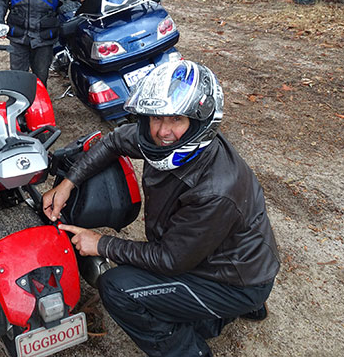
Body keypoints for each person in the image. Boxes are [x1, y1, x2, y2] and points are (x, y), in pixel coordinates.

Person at [42, 60, 280, 357]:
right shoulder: (158, 141)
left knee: (117, 287)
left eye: (176, 119)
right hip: (231, 256)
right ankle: (217, 314)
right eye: (156, 118)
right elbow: (114, 140)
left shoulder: (215, 189)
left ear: (198, 122)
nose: (163, 131)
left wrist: (101, 243)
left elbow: (170, 260)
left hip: (235, 281)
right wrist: (68, 184)